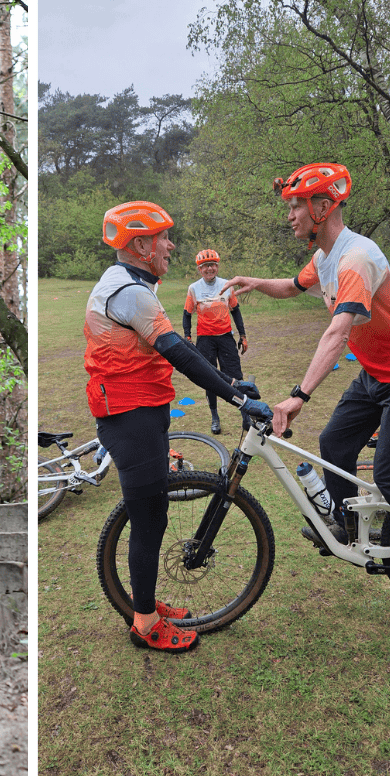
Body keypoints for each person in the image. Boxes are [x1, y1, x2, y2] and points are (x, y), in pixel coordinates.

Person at [224, 163, 390, 580]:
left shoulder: (355, 259)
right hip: (375, 375)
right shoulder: (325, 257)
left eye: (295, 207)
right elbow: (291, 285)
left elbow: (338, 333)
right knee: (333, 442)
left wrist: (299, 395)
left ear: (322, 207)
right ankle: (349, 526)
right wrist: (255, 282)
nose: (290, 216)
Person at [84, 201, 272, 653]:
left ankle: (144, 603)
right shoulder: (130, 291)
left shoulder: (129, 284)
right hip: (130, 415)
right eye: (164, 238)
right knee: (148, 518)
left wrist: (229, 380)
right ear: (141, 244)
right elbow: (181, 354)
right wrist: (238, 398)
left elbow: (174, 349)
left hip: (137, 409)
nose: (170, 245)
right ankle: (145, 622)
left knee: (153, 514)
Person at [183, 249, 249, 434]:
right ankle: (215, 417)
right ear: (199, 270)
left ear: (217, 266)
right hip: (205, 340)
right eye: (205, 266)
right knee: (209, 378)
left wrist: (242, 335)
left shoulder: (227, 285)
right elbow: (187, 314)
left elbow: (235, 310)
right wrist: (188, 337)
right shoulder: (193, 288)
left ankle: (246, 414)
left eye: (212, 265)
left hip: (225, 337)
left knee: (236, 376)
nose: (209, 268)